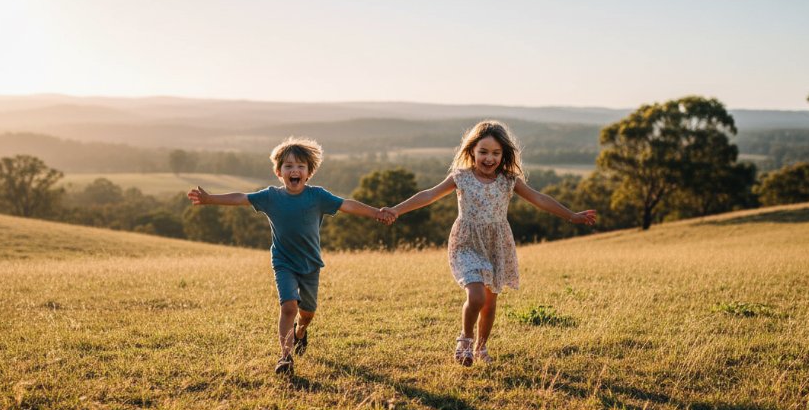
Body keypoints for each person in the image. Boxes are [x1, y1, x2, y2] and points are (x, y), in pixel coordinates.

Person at [383, 121, 596, 366]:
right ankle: (465, 341)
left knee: (490, 301)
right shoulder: (460, 177)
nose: (489, 158)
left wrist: (571, 215)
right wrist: (396, 210)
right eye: (483, 152)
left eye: (496, 153)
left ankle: (481, 347)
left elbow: (539, 198)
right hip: (466, 242)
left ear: (504, 154)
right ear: (471, 151)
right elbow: (429, 195)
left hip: (497, 244)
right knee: (476, 296)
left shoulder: (509, 180)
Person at [188, 137, 394, 374]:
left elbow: (347, 204)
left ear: (309, 173)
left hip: (310, 265)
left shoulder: (318, 196)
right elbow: (241, 198)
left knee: (307, 314)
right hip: (283, 262)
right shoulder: (270, 197)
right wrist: (210, 199)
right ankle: (285, 358)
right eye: (288, 166)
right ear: (279, 172)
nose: (294, 170)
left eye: (300, 167)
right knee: (288, 307)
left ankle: (300, 333)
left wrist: (377, 213)